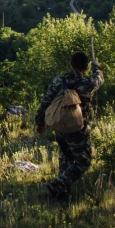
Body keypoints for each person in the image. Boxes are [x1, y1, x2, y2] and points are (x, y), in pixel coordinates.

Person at [35, 51, 104, 199]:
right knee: (83, 161)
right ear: (85, 67)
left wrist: (40, 122)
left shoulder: (58, 81)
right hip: (78, 128)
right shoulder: (86, 83)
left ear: (70, 64)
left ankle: (62, 193)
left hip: (60, 126)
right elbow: (99, 80)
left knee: (66, 157)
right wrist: (97, 68)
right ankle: (58, 185)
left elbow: (45, 102)